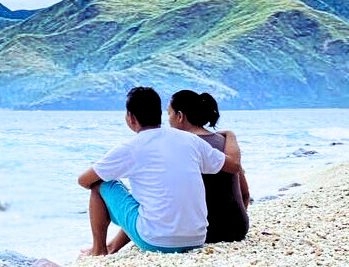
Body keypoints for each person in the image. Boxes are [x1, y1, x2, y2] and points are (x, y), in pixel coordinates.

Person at [77, 87, 241, 256]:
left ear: (131, 118)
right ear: (159, 114)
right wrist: (231, 136)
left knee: (100, 183)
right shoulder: (190, 140)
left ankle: (98, 250)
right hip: (197, 237)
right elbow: (233, 165)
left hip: (155, 240)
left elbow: (84, 180)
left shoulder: (130, 148)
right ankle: (110, 247)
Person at [169, 90, 250, 243]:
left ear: (179, 116)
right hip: (237, 228)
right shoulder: (228, 145)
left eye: (169, 114)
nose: (168, 120)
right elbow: (245, 194)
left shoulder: (180, 146)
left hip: (204, 233)